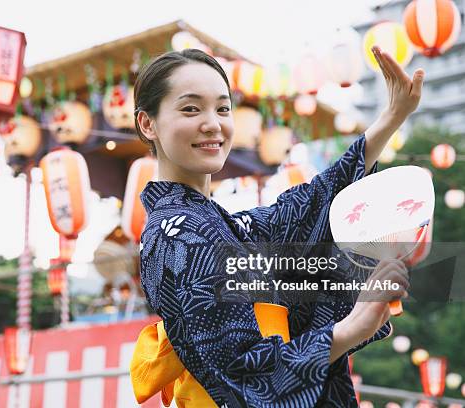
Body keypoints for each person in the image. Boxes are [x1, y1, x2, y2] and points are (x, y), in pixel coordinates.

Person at [131, 47, 424, 407]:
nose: (212, 123)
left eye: (222, 108)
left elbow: (303, 211)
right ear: (148, 124)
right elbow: (243, 370)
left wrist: (392, 116)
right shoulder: (177, 234)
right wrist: (348, 330)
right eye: (191, 108)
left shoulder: (216, 225)